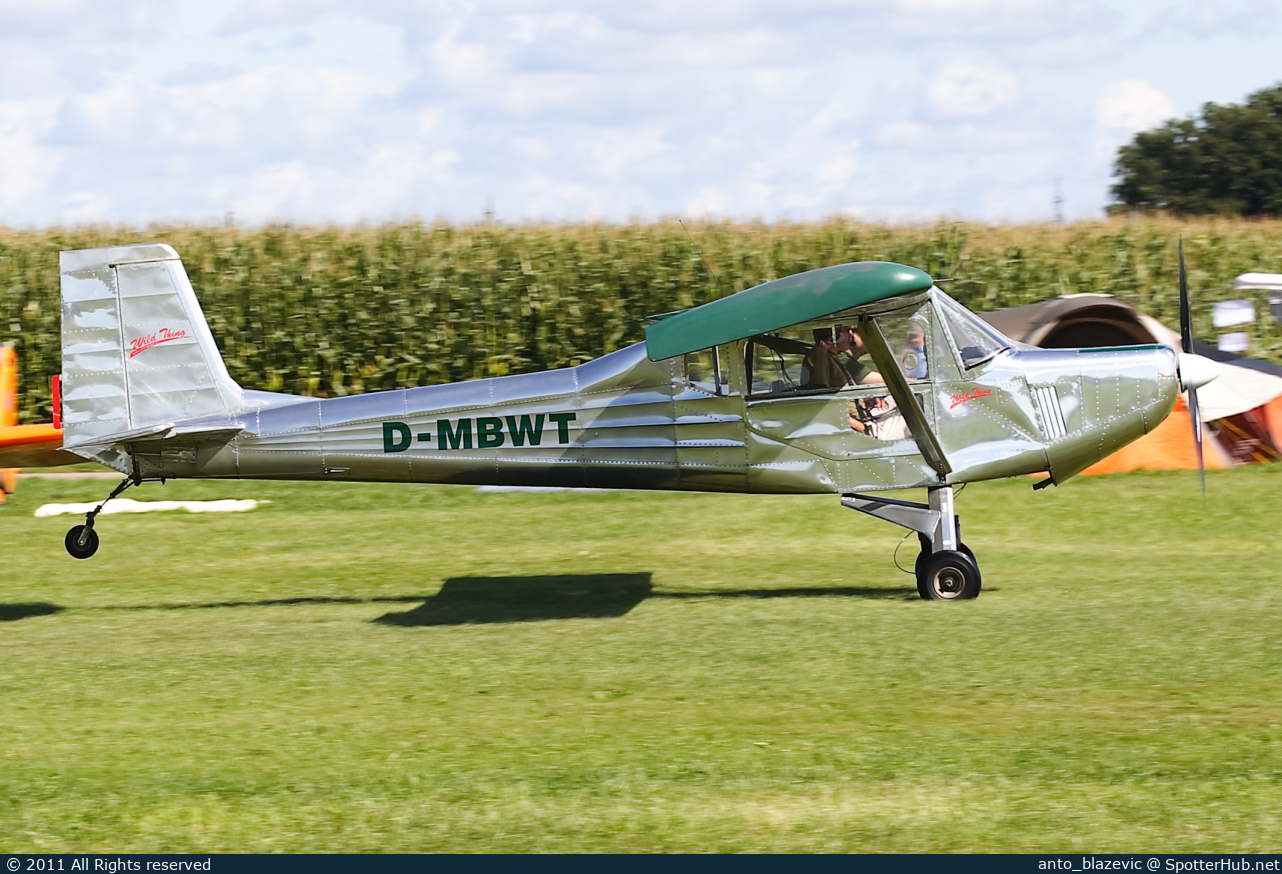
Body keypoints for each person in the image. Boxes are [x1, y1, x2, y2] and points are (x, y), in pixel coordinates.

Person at [801, 325, 884, 389]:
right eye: (847, 331)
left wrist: (865, 399)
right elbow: (821, 392)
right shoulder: (819, 354)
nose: (851, 335)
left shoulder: (834, 359)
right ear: (832, 337)